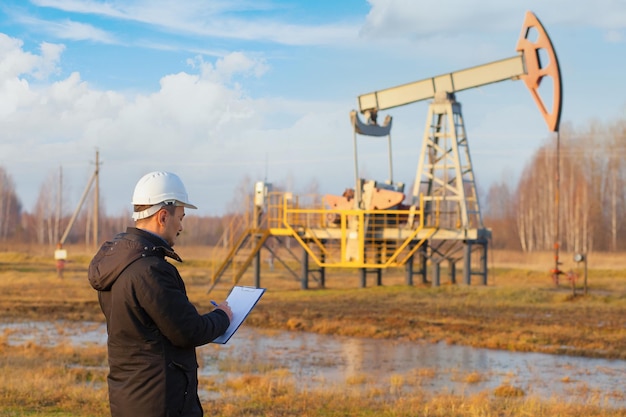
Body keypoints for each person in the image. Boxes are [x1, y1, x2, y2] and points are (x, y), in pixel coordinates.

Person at [88, 171, 232, 417]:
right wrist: (223, 316)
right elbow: (188, 331)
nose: (181, 227)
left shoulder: (119, 262)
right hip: (160, 402)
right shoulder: (151, 270)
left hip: (129, 397)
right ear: (163, 216)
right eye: (181, 217)